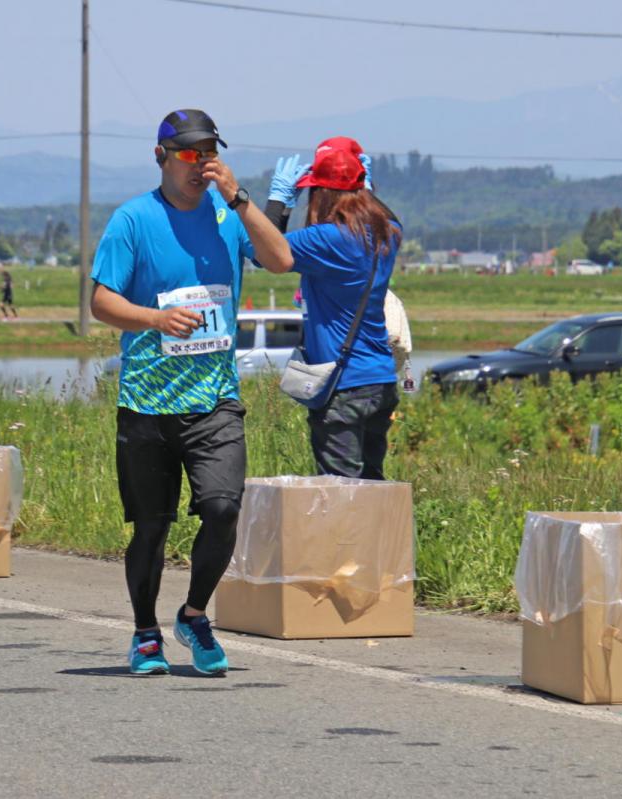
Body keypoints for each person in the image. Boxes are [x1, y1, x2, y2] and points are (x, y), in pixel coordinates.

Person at [91, 109, 292, 676]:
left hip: (215, 400)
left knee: (224, 509)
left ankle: (194, 614)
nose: (200, 164)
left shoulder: (229, 215)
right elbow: (101, 302)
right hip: (147, 402)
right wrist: (155, 319)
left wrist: (241, 198)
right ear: (161, 157)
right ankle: (144, 633)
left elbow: (281, 260)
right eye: (187, 153)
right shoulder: (133, 220)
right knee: (151, 528)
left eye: (209, 153)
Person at [263, 137, 402, 479]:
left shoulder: (326, 239)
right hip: (381, 379)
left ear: (319, 193)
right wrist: (366, 190)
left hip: (343, 385)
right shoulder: (389, 233)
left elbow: (265, 252)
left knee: (341, 492)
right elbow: (389, 217)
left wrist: (280, 202)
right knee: (373, 484)